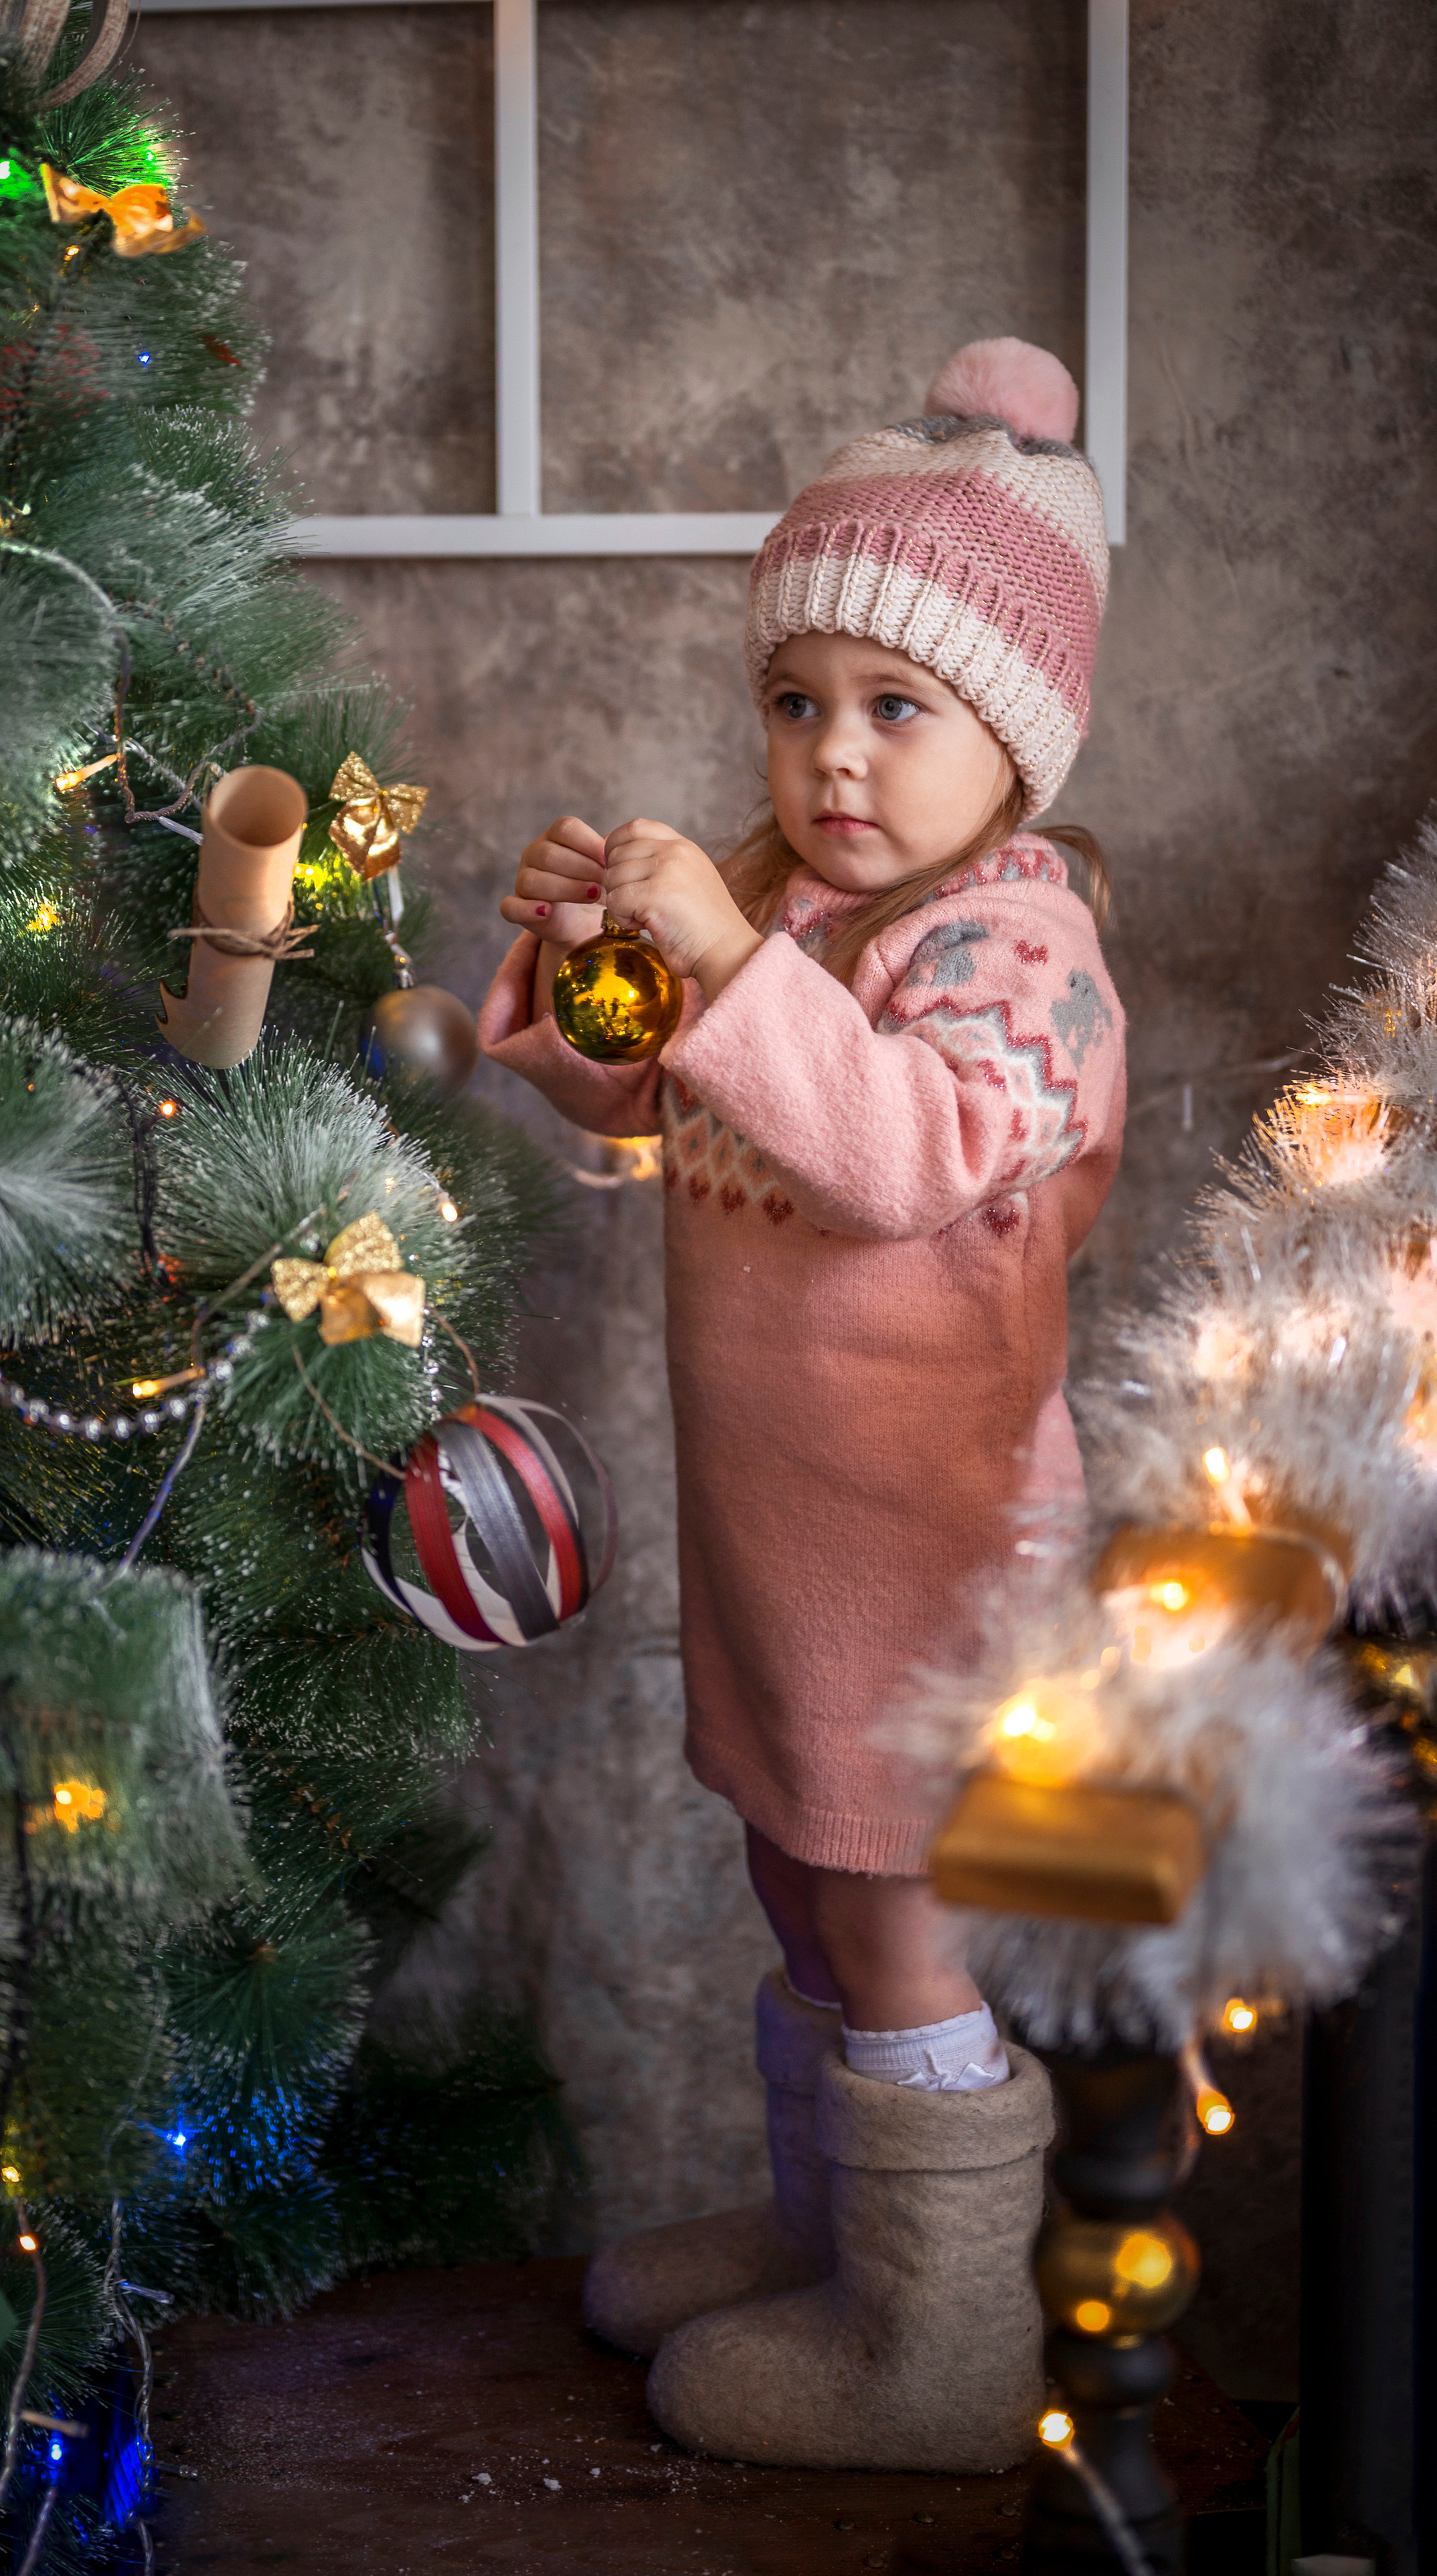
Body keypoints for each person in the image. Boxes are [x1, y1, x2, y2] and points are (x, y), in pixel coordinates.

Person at [479, 339, 1126, 2471]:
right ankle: (836, 2230)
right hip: (784, 1542)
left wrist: (732, 971)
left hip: (934, 1550)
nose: (830, 757)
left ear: (1013, 740)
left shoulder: (1017, 951)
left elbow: (902, 1152)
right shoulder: (782, 909)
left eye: (894, 708)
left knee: (891, 1900)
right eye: (796, 703)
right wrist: (587, 969)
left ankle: (938, 2346)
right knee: (793, 1874)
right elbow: (637, 1081)